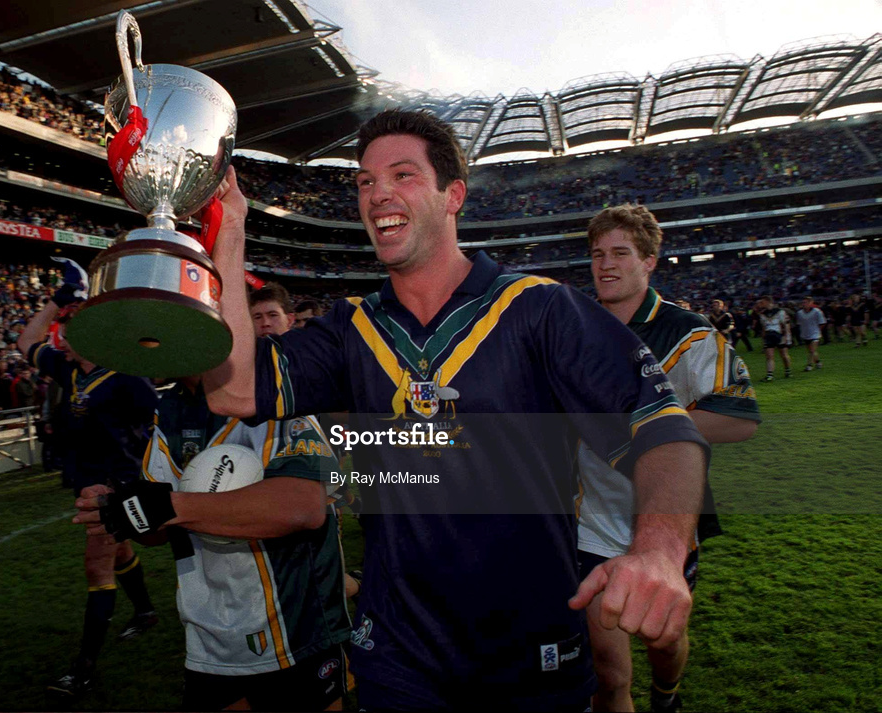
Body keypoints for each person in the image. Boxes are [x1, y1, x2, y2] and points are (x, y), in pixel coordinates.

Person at [87, 110, 710, 710]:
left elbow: (666, 431)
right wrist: (231, 232)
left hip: (530, 649)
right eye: (365, 182)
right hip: (400, 657)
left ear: (452, 195)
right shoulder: (351, 327)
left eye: (402, 175)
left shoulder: (539, 309)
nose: (377, 193)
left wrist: (658, 549)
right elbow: (232, 391)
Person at [79, 282, 350, 711]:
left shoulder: (274, 393)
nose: (147, 340)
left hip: (295, 632)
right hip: (210, 639)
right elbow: (158, 532)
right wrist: (123, 511)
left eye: (160, 322)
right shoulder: (169, 410)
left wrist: (170, 506)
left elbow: (303, 507)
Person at [581, 204, 760, 712]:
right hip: (588, 521)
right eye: (597, 254)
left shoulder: (690, 333)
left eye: (620, 253)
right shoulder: (572, 328)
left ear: (650, 261)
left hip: (667, 520)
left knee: (662, 643)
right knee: (608, 672)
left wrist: (641, 431)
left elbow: (739, 418)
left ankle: (667, 694)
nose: (606, 265)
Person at [16, 258, 159, 698]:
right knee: (117, 554)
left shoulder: (128, 379)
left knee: (96, 564)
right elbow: (25, 342)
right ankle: (146, 612)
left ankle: (83, 667)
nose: (63, 334)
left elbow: (158, 425)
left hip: (114, 486)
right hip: (85, 482)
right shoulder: (70, 370)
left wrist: (142, 481)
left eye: (72, 327)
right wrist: (54, 302)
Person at [756, 295, 791, 381]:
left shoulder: (780, 312)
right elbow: (763, 327)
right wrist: (763, 339)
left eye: (762, 302)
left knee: (784, 355)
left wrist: (787, 337)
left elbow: (786, 325)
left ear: (768, 301)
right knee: (769, 356)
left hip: (779, 335)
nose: (760, 304)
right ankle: (769, 375)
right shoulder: (763, 314)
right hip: (769, 336)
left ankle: (787, 370)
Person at [795, 297, 826, 371]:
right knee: (811, 351)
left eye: (805, 302)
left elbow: (822, 322)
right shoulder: (800, 313)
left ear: (810, 303)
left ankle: (809, 365)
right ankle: (818, 362)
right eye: (803, 302)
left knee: (812, 350)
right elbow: (799, 323)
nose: (803, 304)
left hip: (815, 334)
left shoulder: (817, 312)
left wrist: (818, 330)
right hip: (805, 334)